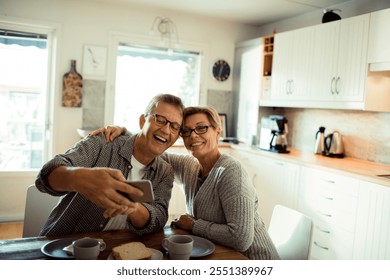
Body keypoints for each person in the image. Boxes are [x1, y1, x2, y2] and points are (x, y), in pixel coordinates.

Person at [97, 106, 280, 260]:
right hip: (219, 256)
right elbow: (154, 149)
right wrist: (124, 132)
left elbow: (241, 239)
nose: (193, 136)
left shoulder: (231, 172)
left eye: (201, 128)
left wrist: (193, 225)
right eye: (186, 131)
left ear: (218, 131)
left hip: (252, 261)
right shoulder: (190, 166)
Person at [35, 93, 184, 236]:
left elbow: (158, 219)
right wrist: (79, 178)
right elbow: (45, 176)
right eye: (160, 119)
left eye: (174, 127)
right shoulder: (104, 142)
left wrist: (132, 207)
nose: (166, 129)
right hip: (64, 246)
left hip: (115, 249)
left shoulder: (165, 171)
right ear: (142, 121)